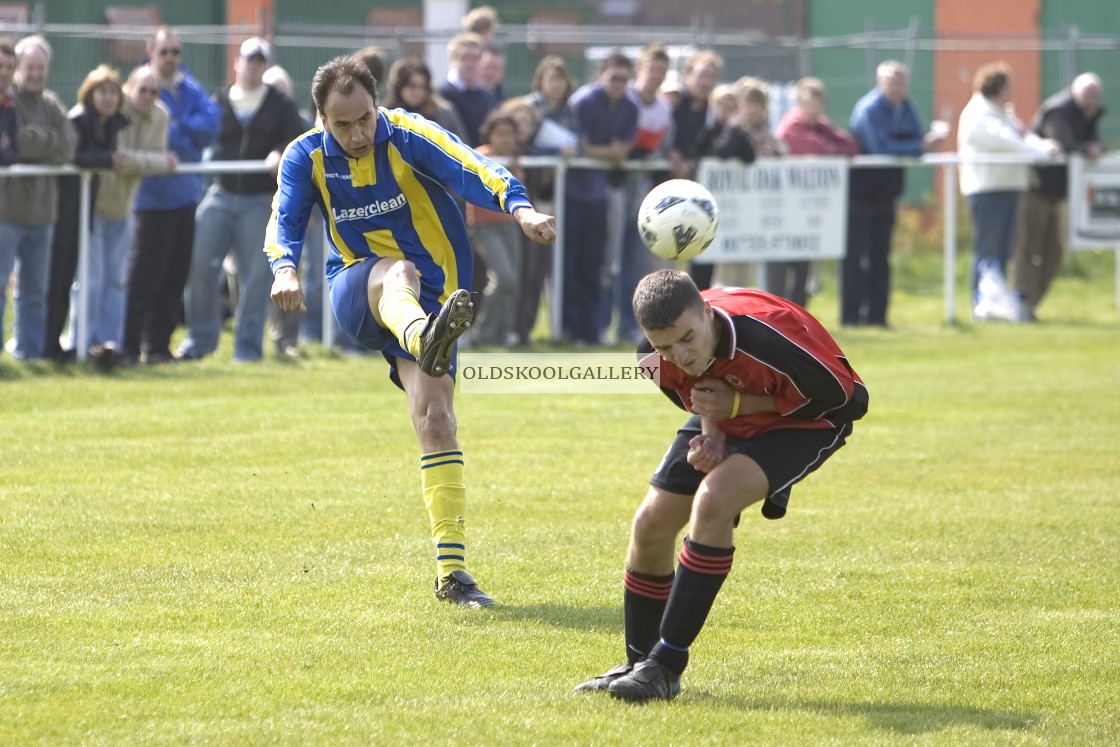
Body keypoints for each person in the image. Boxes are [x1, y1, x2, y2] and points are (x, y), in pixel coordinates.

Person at [265, 56, 556, 606]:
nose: (357, 133)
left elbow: (472, 166)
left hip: (437, 299)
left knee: (438, 420)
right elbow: (283, 219)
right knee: (393, 270)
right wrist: (283, 268)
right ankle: (426, 340)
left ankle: (452, 575)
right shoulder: (304, 156)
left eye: (365, 119)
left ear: (379, 106)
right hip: (359, 288)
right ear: (321, 118)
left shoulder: (409, 133)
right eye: (342, 124)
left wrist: (520, 209)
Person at [575, 269, 868, 702]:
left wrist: (741, 404)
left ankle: (666, 665)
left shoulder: (766, 338)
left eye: (687, 338)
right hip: (732, 412)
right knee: (650, 523)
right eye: (663, 345)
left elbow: (851, 400)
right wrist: (711, 434)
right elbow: (700, 392)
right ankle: (638, 664)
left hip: (811, 420)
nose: (679, 354)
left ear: (707, 314)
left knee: (713, 502)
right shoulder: (652, 360)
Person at [175, 38, 305, 363]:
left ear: (265, 66)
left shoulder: (280, 103)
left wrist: (280, 151)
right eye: (249, 60)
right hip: (219, 194)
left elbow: (296, 137)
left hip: (259, 199)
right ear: (237, 62)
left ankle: (247, 349)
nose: (254, 66)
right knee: (199, 265)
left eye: (260, 61)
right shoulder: (218, 100)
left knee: (256, 277)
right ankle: (200, 341)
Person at [125, 26, 220, 364]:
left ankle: (158, 347)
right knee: (142, 275)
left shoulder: (189, 86)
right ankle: (129, 346)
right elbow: (162, 140)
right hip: (148, 199)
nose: (170, 58)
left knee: (174, 275)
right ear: (151, 52)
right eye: (164, 51)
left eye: (175, 52)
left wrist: (178, 128)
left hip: (185, 196)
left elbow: (211, 126)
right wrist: (183, 132)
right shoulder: (142, 86)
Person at [844, 60, 944, 327]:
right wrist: (919, 145)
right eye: (891, 81)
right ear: (879, 82)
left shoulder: (906, 107)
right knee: (856, 257)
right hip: (861, 194)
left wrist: (917, 144)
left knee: (880, 257)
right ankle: (852, 317)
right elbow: (880, 146)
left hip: (886, 194)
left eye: (900, 82)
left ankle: (877, 317)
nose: (896, 86)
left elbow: (912, 138)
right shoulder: (869, 108)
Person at [957, 62, 1058, 322]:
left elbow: (1021, 135)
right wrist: (1041, 153)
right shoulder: (978, 113)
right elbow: (1006, 142)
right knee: (987, 249)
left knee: (1003, 251)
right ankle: (981, 305)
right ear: (997, 87)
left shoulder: (1002, 112)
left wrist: (1043, 146)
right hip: (987, 190)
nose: (1013, 89)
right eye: (1009, 84)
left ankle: (997, 305)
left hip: (1009, 187)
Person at [45, 65, 130, 363]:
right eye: (102, 92)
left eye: (112, 92)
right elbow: (73, 155)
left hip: (85, 208)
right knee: (58, 277)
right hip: (64, 207)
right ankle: (50, 346)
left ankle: (63, 347)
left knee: (71, 276)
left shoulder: (113, 123)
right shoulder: (78, 119)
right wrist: (107, 159)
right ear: (89, 94)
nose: (108, 98)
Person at [0, 36, 76, 361]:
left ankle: (29, 353)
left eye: (39, 68)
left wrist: (28, 143)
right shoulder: (8, 101)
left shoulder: (52, 103)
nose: (34, 74)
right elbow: (13, 145)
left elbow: (67, 148)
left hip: (43, 214)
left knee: (34, 294)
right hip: (6, 212)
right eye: (28, 67)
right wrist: (36, 144)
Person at [1012, 72, 1105, 321]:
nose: (1091, 102)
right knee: (1029, 249)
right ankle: (1020, 304)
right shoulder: (1057, 111)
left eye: (1095, 97)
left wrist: (1094, 147)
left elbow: (1095, 141)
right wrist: (1088, 149)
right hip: (1035, 190)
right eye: (1087, 96)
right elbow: (1063, 142)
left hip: (1057, 194)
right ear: (1075, 93)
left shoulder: (1089, 114)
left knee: (1055, 252)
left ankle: (1030, 305)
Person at [564, 51, 638, 345]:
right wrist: (609, 152)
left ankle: (591, 329)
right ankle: (570, 329)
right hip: (572, 192)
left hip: (600, 195)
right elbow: (579, 147)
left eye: (624, 78)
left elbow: (625, 150)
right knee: (569, 263)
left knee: (596, 263)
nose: (619, 83)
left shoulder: (630, 108)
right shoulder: (582, 102)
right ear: (600, 76)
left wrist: (601, 150)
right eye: (613, 77)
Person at [774, 76, 859, 308]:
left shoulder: (820, 125)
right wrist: (831, 148)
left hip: (806, 209)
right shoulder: (791, 125)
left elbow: (850, 146)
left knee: (804, 265)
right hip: (785, 208)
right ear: (799, 103)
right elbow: (816, 148)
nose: (813, 109)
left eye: (818, 104)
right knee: (785, 267)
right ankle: (780, 313)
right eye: (809, 104)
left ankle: (798, 314)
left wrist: (830, 146)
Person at [612, 44, 674, 344]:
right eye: (651, 69)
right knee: (610, 260)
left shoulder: (664, 108)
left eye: (661, 71)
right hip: (614, 185)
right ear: (640, 70)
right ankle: (602, 325)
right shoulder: (623, 100)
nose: (656, 75)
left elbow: (663, 148)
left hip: (643, 190)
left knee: (636, 261)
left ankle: (629, 325)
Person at [516, 56, 577, 345]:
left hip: (556, 197)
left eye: (560, 79)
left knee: (547, 268)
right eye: (550, 78)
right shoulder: (527, 107)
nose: (555, 84)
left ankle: (554, 327)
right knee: (523, 269)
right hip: (523, 200)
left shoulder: (571, 111)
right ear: (540, 80)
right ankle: (518, 329)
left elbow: (577, 145)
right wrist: (554, 154)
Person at [467, 111, 524, 346]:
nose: (505, 139)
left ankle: (502, 334)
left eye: (509, 134)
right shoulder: (482, 155)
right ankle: (483, 333)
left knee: (513, 282)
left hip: (510, 225)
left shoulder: (517, 159)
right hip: (484, 226)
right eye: (500, 134)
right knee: (504, 278)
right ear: (489, 135)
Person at [668, 51, 723, 291]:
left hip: (703, 193)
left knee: (703, 251)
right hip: (668, 189)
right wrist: (671, 153)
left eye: (710, 76)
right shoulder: (673, 104)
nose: (705, 82)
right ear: (687, 76)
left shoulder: (716, 111)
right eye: (701, 75)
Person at [436, 33, 497, 147]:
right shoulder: (442, 94)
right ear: (452, 61)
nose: (470, 63)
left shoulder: (486, 94)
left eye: (475, 58)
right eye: (464, 57)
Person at [383, 56, 466, 137]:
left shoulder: (442, 114)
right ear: (400, 86)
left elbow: (461, 146)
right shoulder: (387, 114)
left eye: (421, 87)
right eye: (411, 86)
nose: (416, 92)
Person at [0, 41, 16, 166]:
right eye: (0, 66)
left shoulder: (11, 105)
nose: (4, 72)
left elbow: (14, 152)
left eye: (10, 67)